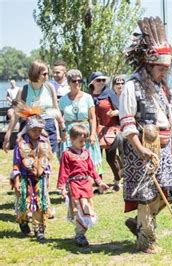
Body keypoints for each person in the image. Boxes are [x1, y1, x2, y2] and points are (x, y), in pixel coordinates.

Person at [120, 16, 172, 254]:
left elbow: (167, 116)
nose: (164, 71)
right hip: (142, 149)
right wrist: (141, 149)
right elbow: (127, 123)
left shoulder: (160, 86)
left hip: (163, 147)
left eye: (166, 68)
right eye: (160, 68)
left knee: (171, 190)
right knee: (146, 195)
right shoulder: (131, 86)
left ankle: (140, 223)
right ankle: (145, 239)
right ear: (148, 65)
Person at [57, 124, 109, 247]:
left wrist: (100, 182)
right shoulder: (67, 154)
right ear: (72, 139)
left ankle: (80, 234)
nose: (83, 144)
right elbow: (64, 171)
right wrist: (62, 187)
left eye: (84, 141)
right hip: (75, 185)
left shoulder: (85, 153)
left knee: (88, 209)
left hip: (86, 184)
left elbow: (92, 169)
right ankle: (80, 235)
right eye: (80, 141)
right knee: (83, 209)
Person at [10, 104, 53, 243]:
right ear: (28, 129)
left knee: (41, 203)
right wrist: (16, 180)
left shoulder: (45, 143)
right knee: (24, 202)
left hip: (40, 177)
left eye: (39, 130)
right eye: (34, 130)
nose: (37, 132)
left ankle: (39, 229)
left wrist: (47, 177)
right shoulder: (21, 144)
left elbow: (48, 162)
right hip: (24, 178)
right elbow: (16, 163)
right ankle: (23, 220)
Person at [3, 60, 65, 154]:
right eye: (44, 74)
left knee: (46, 164)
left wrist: (62, 129)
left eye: (47, 74)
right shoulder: (24, 90)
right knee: (29, 163)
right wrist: (7, 136)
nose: (47, 76)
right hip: (30, 129)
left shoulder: (49, 87)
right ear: (36, 73)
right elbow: (16, 115)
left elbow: (56, 110)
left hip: (48, 128)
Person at [59, 70, 102, 177]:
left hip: (86, 131)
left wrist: (92, 134)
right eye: (74, 81)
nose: (77, 83)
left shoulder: (87, 97)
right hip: (70, 133)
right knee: (71, 157)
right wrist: (62, 133)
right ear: (68, 83)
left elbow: (92, 118)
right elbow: (59, 119)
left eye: (80, 80)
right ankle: (72, 181)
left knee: (90, 156)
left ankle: (97, 181)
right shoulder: (63, 100)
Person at [90, 71, 123, 191]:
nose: (101, 83)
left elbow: (122, 109)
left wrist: (115, 112)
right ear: (92, 82)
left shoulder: (109, 93)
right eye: (98, 80)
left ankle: (118, 179)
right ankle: (100, 183)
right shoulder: (89, 95)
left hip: (110, 130)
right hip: (94, 130)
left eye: (103, 80)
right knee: (96, 158)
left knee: (111, 158)